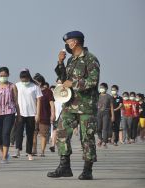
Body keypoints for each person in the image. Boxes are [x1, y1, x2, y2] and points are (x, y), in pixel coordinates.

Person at [48, 31, 100, 180]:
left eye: (68, 42)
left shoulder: (91, 59)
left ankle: (87, 170)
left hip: (86, 106)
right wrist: (60, 63)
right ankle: (64, 167)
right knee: (62, 132)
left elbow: (93, 81)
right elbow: (64, 79)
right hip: (70, 104)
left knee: (87, 137)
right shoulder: (71, 60)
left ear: (75, 42)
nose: (67, 45)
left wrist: (74, 83)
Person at [13, 69, 42, 161]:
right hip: (20, 113)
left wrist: (37, 114)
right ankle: (18, 150)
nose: (24, 81)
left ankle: (29, 153)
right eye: (22, 79)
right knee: (18, 132)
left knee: (30, 134)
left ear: (29, 78)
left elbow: (39, 101)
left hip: (31, 113)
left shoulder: (35, 87)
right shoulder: (17, 85)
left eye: (25, 79)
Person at [0, 67, 20, 164]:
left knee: (5, 133)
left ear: (8, 75)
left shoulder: (12, 86)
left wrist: (19, 114)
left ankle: (4, 157)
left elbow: (16, 101)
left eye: (5, 75)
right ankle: (4, 152)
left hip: (9, 112)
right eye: (1, 76)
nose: (3, 77)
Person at [32, 74, 55, 157]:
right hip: (33, 116)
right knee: (33, 134)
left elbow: (52, 104)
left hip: (44, 116)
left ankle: (42, 151)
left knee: (43, 134)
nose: (34, 83)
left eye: (36, 82)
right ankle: (34, 150)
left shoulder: (48, 91)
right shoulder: (32, 90)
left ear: (41, 82)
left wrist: (53, 114)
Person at [96, 83, 115, 148]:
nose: (101, 89)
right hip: (98, 113)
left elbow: (112, 107)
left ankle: (104, 142)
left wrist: (113, 116)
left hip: (106, 114)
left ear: (106, 88)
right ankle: (100, 138)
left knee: (105, 128)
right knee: (98, 128)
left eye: (103, 87)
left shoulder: (109, 97)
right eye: (100, 87)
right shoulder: (97, 96)